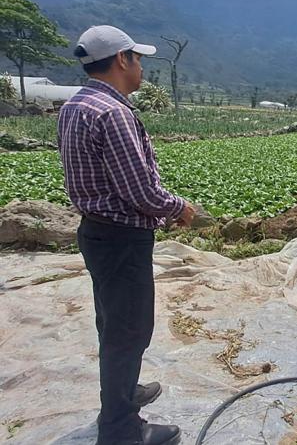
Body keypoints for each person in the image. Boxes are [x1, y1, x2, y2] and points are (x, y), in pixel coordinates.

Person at [58, 26, 194, 444]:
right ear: (121, 60)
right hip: (121, 237)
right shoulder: (113, 113)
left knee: (112, 322)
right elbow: (140, 192)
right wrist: (180, 208)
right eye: (138, 59)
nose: (141, 68)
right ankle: (120, 427)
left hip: (96, 232)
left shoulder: (75, 105)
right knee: (130, 329)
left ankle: (122, 392)